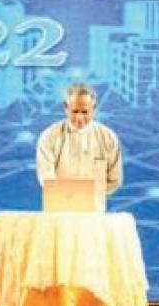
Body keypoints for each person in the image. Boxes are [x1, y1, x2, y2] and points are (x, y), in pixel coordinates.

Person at [36, 83, 122, 211]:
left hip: (94, 211)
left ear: (94, 108)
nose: (79, 117)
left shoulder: (108, 138)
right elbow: (46, 177)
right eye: (75, 111)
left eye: (85, 112)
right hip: (58, 210)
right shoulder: (49, 136)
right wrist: (68, 196)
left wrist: (91, 195)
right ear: (66, 107)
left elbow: (114, 179)